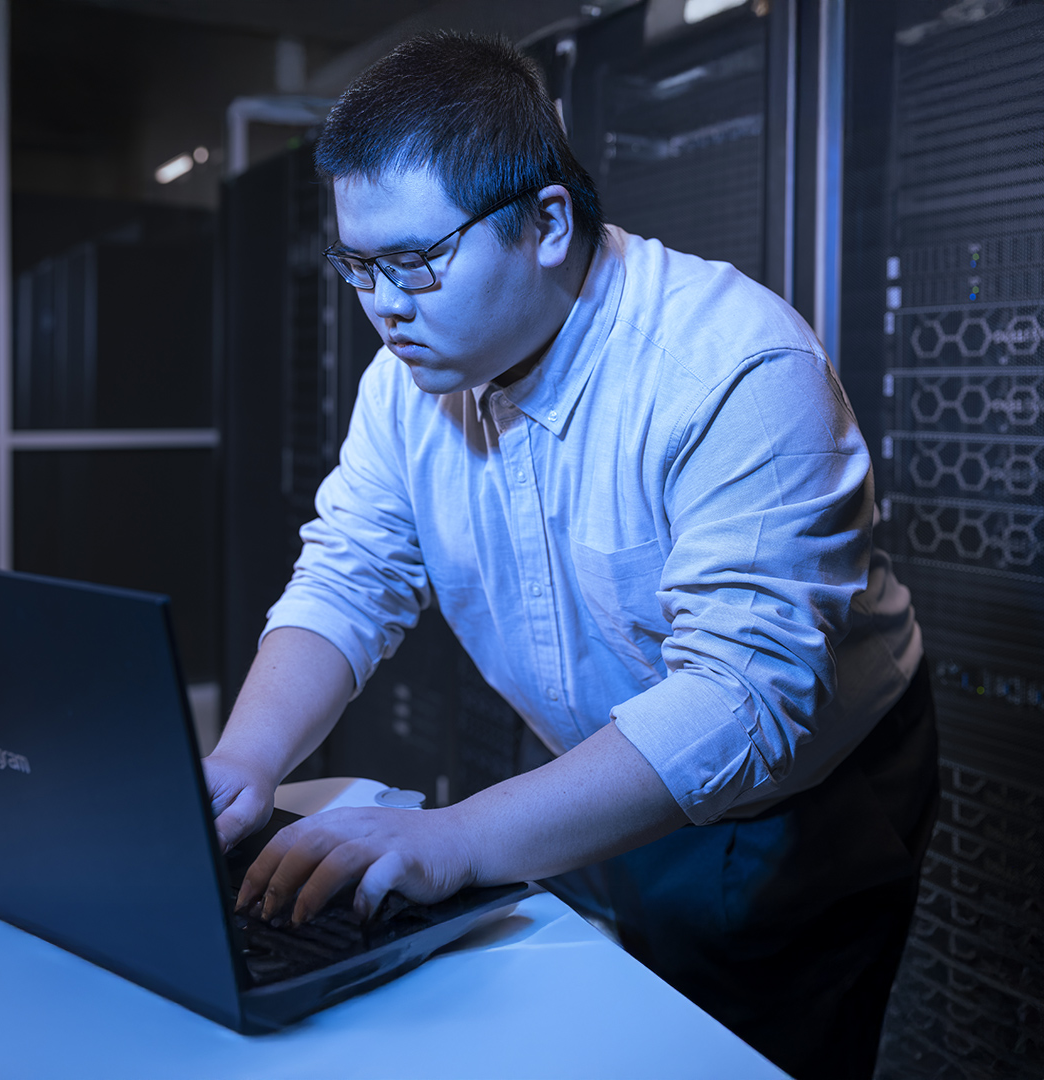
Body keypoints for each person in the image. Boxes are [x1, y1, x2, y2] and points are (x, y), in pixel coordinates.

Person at [204, 30, 938, 1079]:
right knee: (595, 1034)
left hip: (796, 801)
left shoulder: (731, 364)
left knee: (738, 1053)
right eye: (358, 265)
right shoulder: (406, 378)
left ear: (547, 222)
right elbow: (352, 572)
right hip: (586, 768)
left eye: (413, 261)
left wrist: (457, 839)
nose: (383, 307)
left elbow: (742, 699)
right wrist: (246, 760)